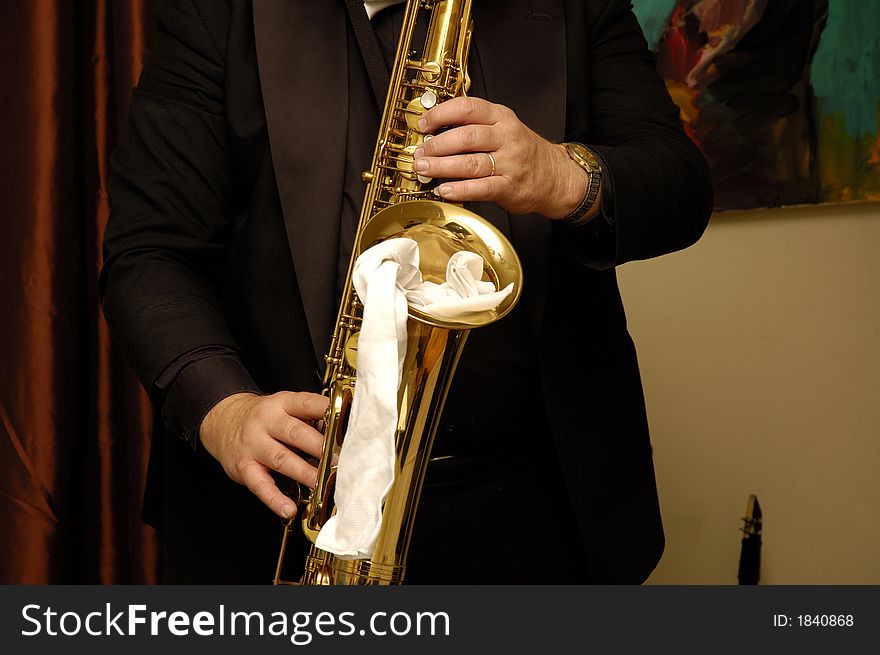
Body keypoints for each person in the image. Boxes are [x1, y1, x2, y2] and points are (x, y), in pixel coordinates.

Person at [100, 0, 713, 584]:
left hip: (535, 508)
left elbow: (679, 186)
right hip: (283, 512)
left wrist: (560, 175)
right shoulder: (216, 11)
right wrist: (224, 409)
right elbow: (150, 250)